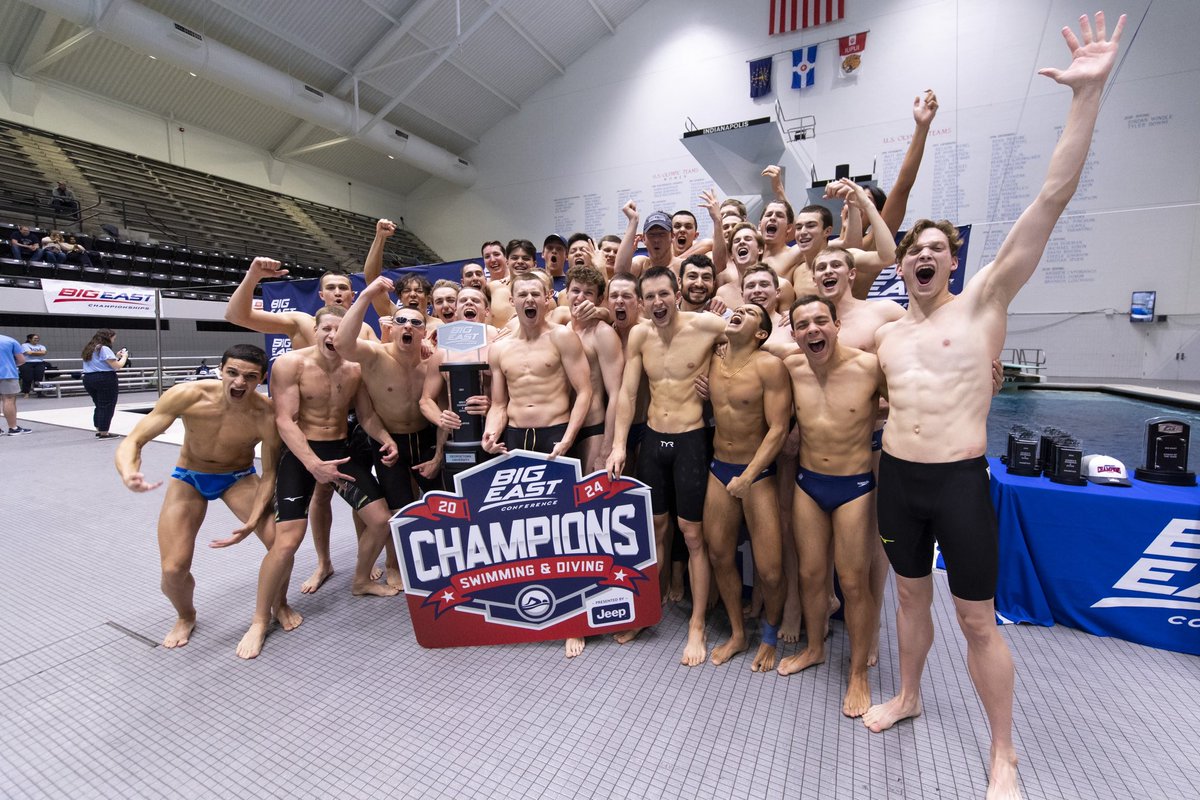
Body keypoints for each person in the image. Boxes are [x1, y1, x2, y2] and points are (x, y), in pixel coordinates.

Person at [863, 15, 1124, 800]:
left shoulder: (983, 304)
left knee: (978, 621)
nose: (924, 255)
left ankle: (1003, 751)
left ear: (957, 260)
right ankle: (908, 696)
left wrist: (1088, 95)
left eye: (938, 247)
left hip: (959, 483)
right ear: (901, 262)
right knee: (908, 597)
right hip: (896, 480)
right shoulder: (885, 330)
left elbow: (1051, 195)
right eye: (913, 248)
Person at [238, 306, 402, 658]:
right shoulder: (291, 364)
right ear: (315, 331)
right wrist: (313, 464)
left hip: (339, 451)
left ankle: (360, 581)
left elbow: (367, 415)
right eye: (326, 328)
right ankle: (258, 620)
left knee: (381, 520)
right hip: (301, 455)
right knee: (287, 542)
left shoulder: (355, 369)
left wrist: (385, 437)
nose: (332, 336)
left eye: (340, 331)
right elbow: (285, 420)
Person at [114, 345, 292, 650]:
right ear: (220, 371)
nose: (239, 383)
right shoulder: (187, 395)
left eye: (249, 377)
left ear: (261, 378)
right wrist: (129, 471)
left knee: (280, 543)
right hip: (189, 477)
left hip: (238, 477)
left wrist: (252, 521)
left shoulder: (265, 414)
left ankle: (280, 603)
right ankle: (186, 615)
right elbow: (134, 440)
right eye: (232, 373)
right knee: (173, 569)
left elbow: (270, 473)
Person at [225, 256, 377, 594]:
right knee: (317, 497)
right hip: (300, 427)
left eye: (344, 288)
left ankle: (363, 564)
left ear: (353, 296)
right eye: (331, 288)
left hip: (346, 425)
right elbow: (237, 316)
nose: (338, 293)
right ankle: (323, 563)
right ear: (320, 295)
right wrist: (252, 277)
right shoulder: (300, 322)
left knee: (360, 496)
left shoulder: (364, 330)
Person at [606, 266, 727, 665]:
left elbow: (755, 341)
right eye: (650, 297)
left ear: (677, 293)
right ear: (642, 302)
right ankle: (647, 610)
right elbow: (627, 393)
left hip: (692, 439)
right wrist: (619, 446)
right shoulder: (640, 335)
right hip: (655, 439)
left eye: (664, 294)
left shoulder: (707, 326)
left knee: (692, 534)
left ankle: (696, 624)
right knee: (655, 530)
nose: (658, 303)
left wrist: (721, 380)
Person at [778, 296, 882, 720]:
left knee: (854, 582)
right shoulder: (791, 367)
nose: (812, 330)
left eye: (821, 321)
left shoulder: (869, 367)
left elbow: (917, 395)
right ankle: (816, 648)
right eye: (802, 325)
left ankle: (858, 673)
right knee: (809, 574)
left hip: (854, 485)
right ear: (794, 333)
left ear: (837, 324)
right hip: (807, 483)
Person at [704, 304, 790, 671]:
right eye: (737, 308)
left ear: (761, 333)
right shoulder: (712, 359)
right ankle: (738, 634)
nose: (739, 311)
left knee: (770, 570)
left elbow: (779, 428)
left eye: (751, 312)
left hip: (757, 474)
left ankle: (769, 635)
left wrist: (749, 475)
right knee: (720, 554)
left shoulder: (769, 366)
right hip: (718, 468)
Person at [335, 277, 445, 522]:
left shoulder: (433, 362)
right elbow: (342, 344)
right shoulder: (375, 356)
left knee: (445, 506)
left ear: (423, 332)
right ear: (391, 328)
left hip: (424, 438)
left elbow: (442, 412)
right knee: (400, 514)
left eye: (415, 323)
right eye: (401, 321)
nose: (408, 326)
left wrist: (438, 456)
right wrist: (365, 295)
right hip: (387, 440)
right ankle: (395, 563)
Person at [482, 273, 592, 458]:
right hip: (514, 435)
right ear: (512, 300)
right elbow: (499, 404)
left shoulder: (562, 337)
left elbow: (584, 391)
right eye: (523, 295)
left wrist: (568, 438)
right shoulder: (499, 349)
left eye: (535, 294)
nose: (529, 300)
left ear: (547, 298)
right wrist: (491, 433)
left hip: (556, 432)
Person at [81, 329, 128, 438]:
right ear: (108, 337)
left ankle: (99, 428)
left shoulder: (90, 348)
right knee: (107, 405)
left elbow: (102, 362)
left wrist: (115, 356)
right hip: (104, 378)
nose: (113, 341)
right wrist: (124, 357)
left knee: (99, 404)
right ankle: (104, 432)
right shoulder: (104, 348)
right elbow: (117, 366)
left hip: (89, 378)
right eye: (113, 338)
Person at [1, 333, 31, 436]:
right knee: (8, 399)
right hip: (7, 373)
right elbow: (21, 360)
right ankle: (13, 428)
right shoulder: (9, 340)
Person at [19, 333, 47, 398]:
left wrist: (32, 353)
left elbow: (44, 352)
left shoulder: (41, 346)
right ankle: (26, 393)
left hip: (39, 363)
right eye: (35, 338)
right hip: (27, 363)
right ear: (29, 339)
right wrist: (39, 353)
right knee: (27, 378)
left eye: (37, 338)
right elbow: (28, 353)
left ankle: (39, 392)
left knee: (38, 379)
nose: (37, 339)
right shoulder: (24, 345)